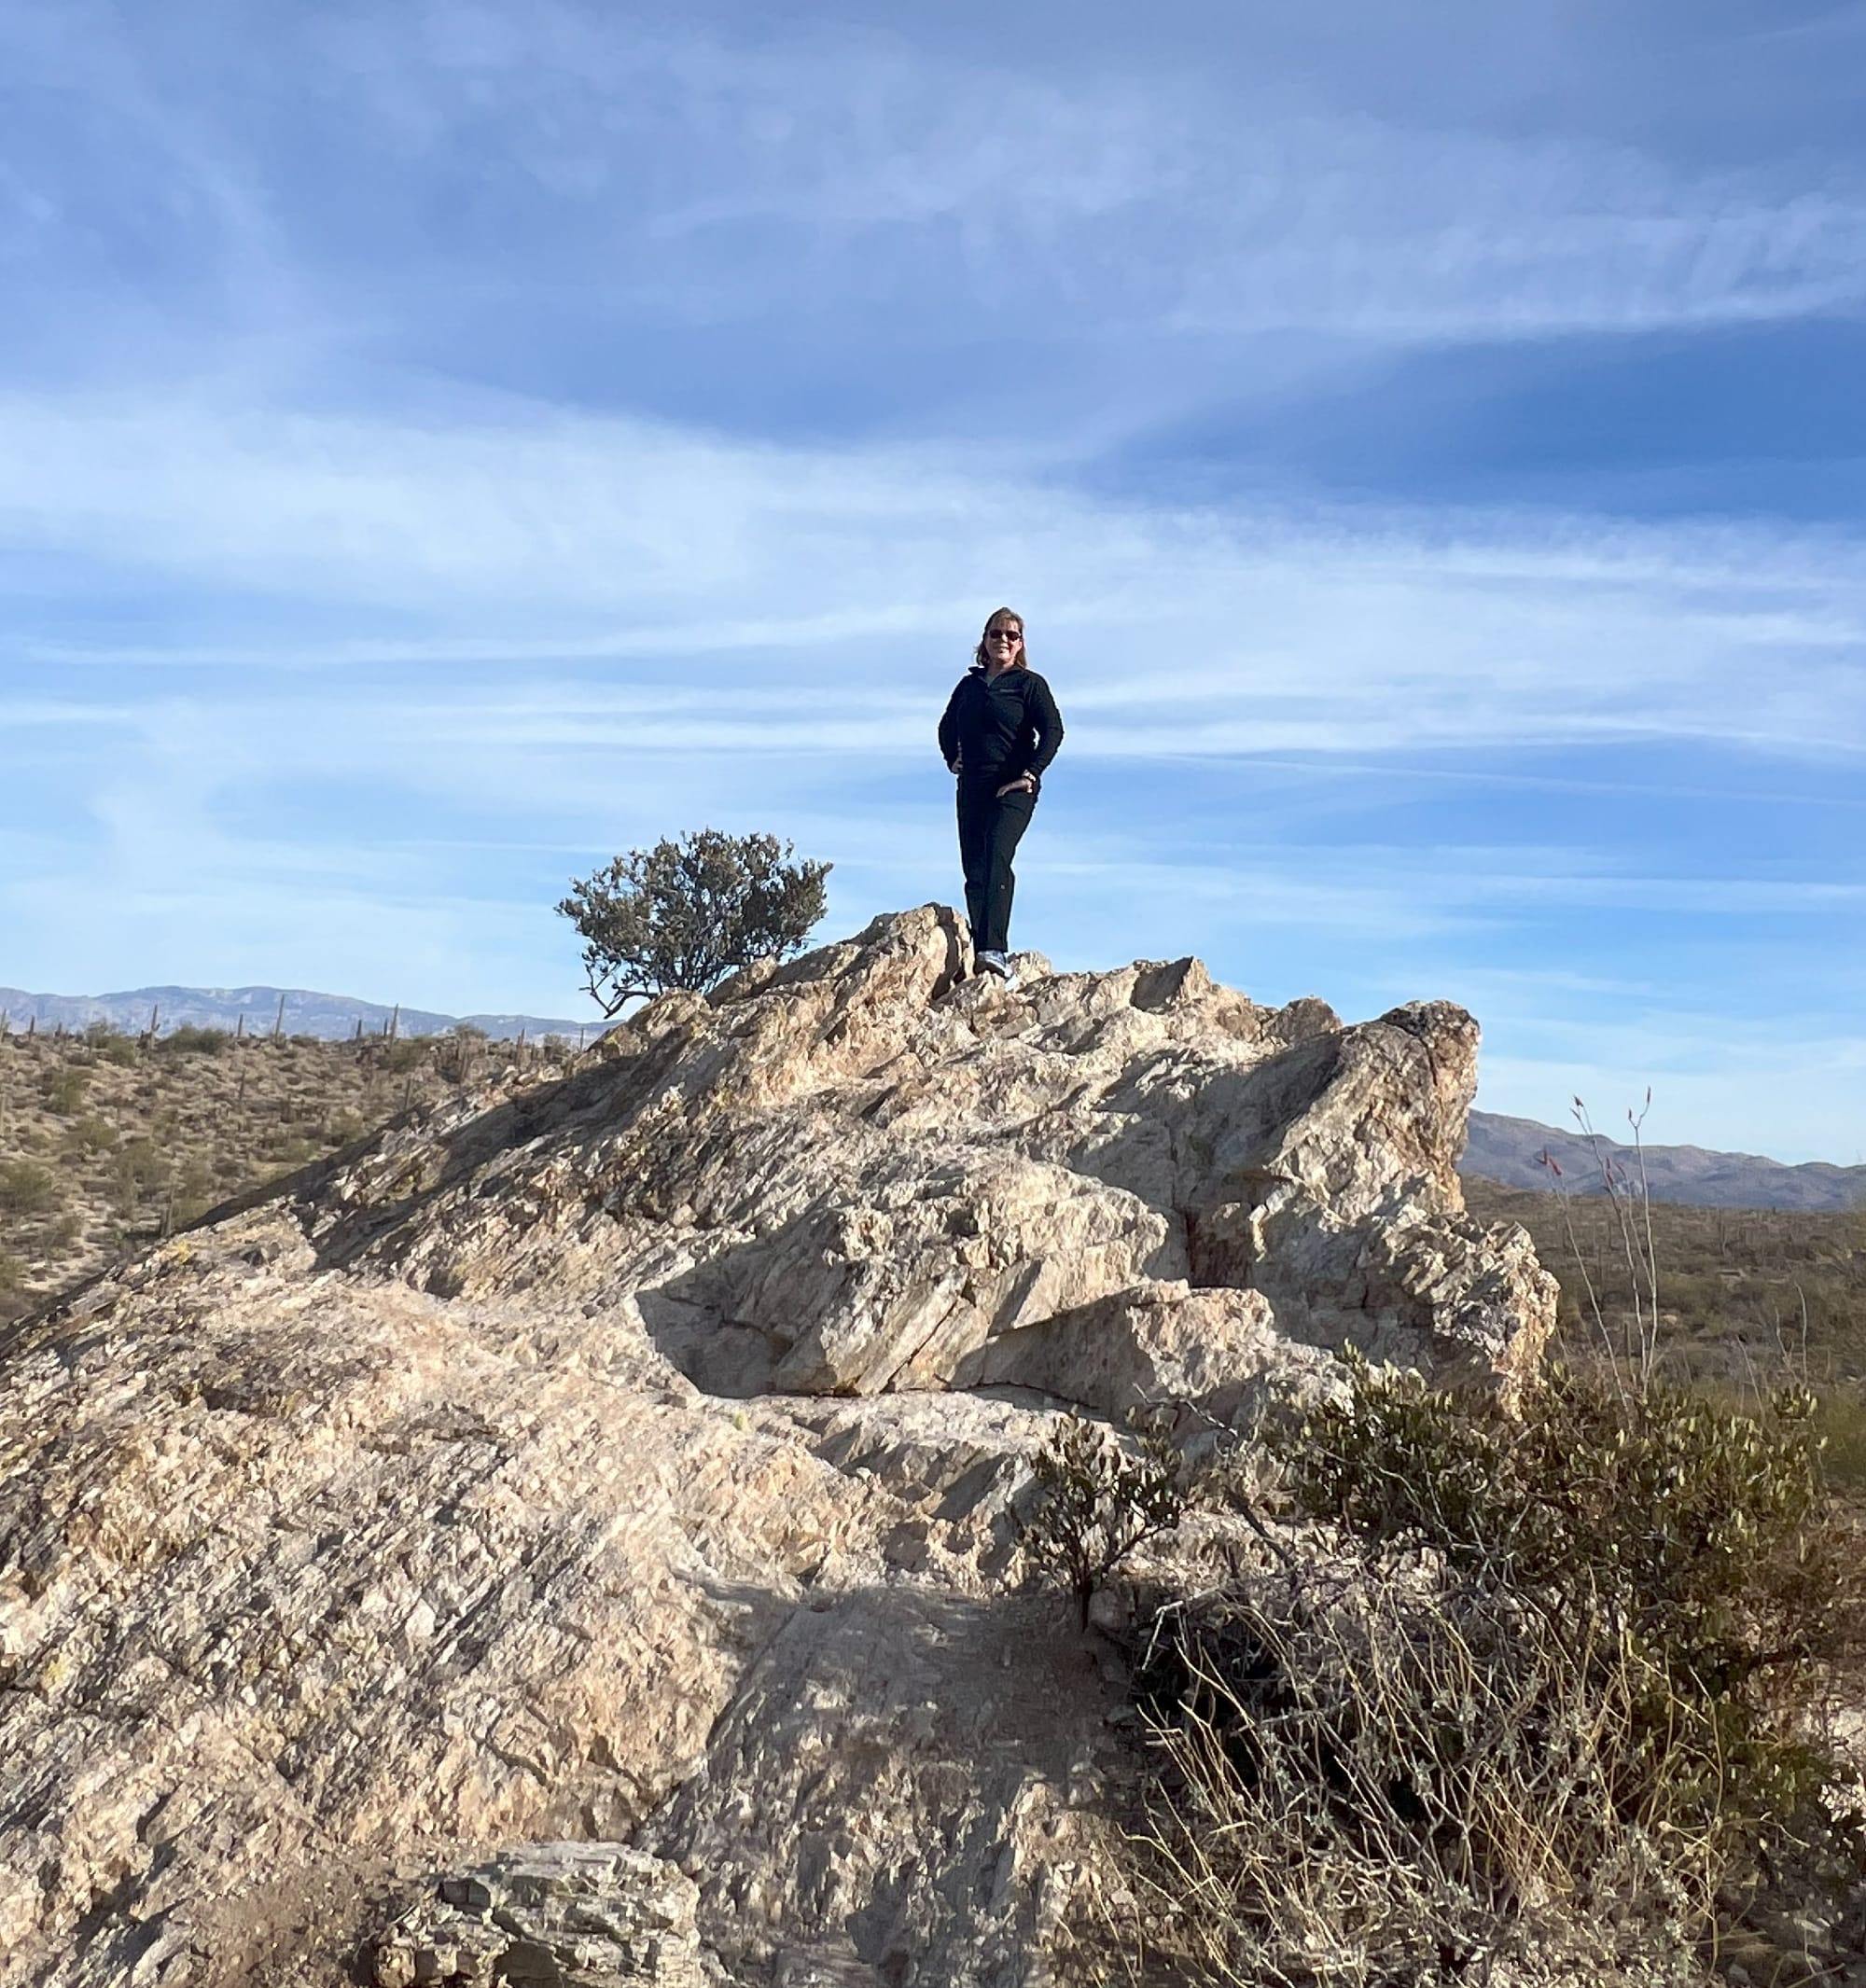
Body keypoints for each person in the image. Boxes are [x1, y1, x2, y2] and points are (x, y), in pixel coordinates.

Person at [937, 606, 1064, 989]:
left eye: (1012, 635)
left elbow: (1053, 731)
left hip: (1013, 788)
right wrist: (952, 757)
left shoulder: (1029, 684)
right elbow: (946, 726)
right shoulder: (969, 686)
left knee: (996, 856)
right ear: (985, 640)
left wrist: (1030, 774)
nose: (1003, 640)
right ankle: (980, 951)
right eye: (996, 634)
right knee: (974, 869)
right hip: (972, 786)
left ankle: (995, 950)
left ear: (1020, 644)